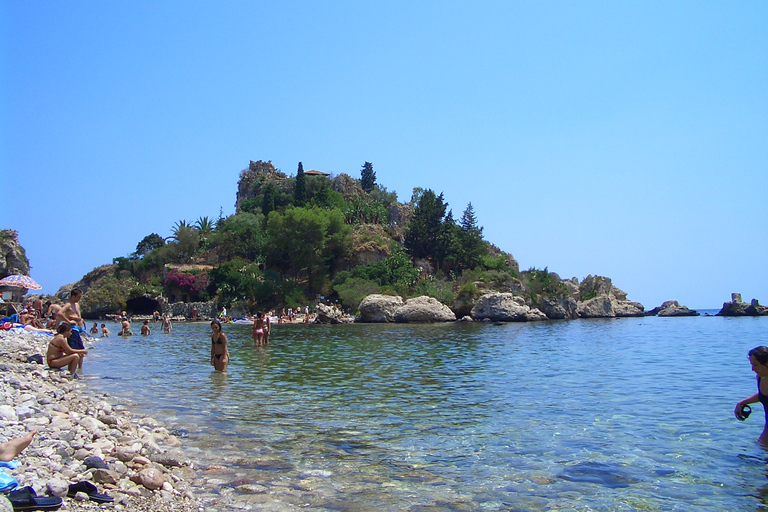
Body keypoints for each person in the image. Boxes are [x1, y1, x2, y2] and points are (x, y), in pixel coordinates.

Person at [736, 346, 768, 444]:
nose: (752, 369)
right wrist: (741, 403)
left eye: (755, 365)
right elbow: (763, 396)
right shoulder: (761, 377)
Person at [55, 289, 86, 369]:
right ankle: (71, 369)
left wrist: (79, 322)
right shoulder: (68, 305)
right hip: (71, 330)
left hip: (77, 329)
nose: (79, 299)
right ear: (73, 296)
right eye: (78, 297)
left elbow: (79, 316)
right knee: (74, 350)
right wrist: (68, 321)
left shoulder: (77, 305)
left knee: (81, 351)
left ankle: (80, 370)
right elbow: (60, 313)